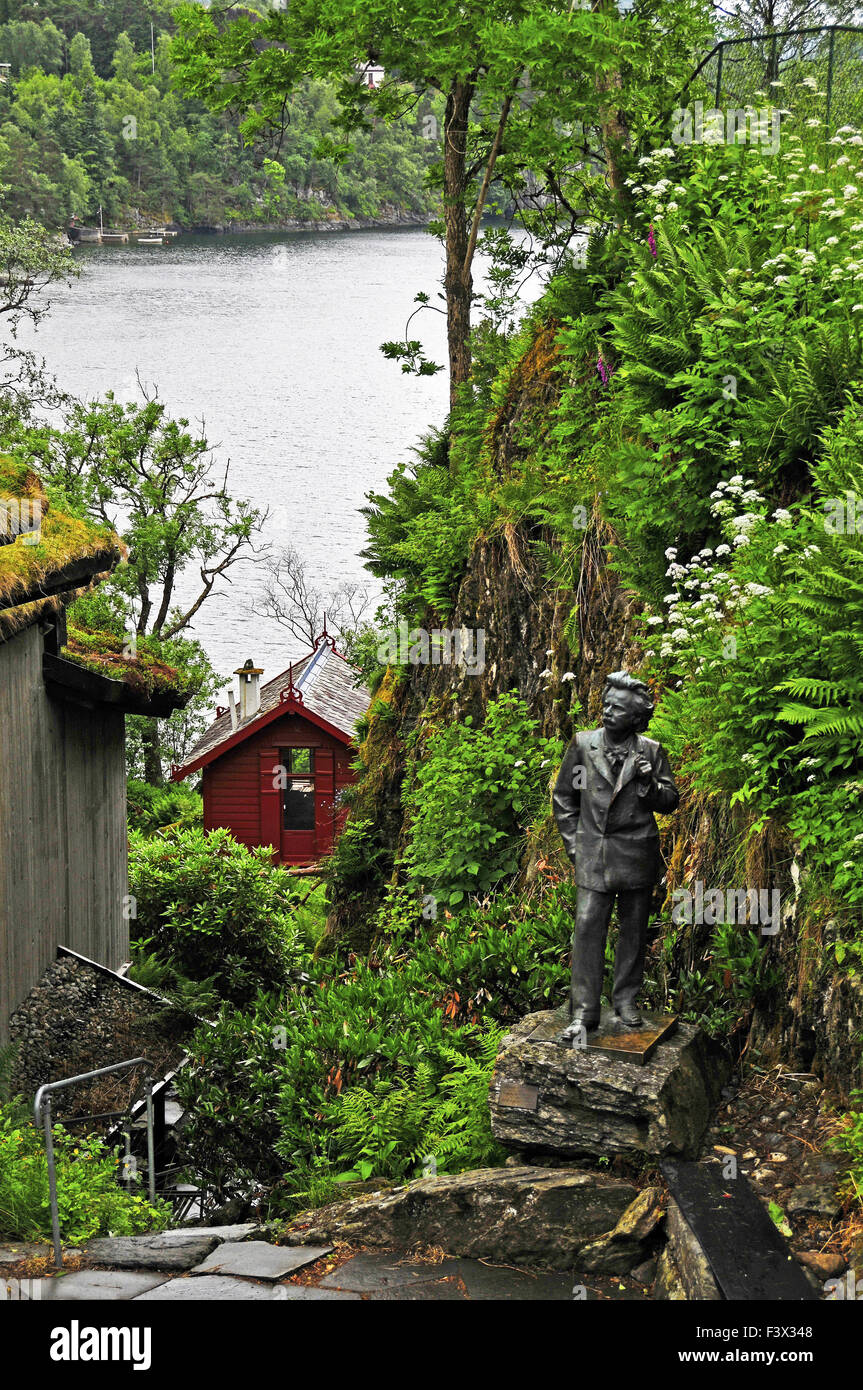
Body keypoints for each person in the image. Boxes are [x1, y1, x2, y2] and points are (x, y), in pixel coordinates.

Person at [552, 671, 679, 1039]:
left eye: (618, 709)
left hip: (637, 853)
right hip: (593, 853)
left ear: (636, 718)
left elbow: (670, 801)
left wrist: (648, 783)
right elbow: (564, 797)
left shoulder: (651, 751)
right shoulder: (583, 744)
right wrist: (575, 846)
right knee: (588, 927)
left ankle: (625, 1000)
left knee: (634, 931)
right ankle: (584, 1012)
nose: (608, 712)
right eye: (606, 705)